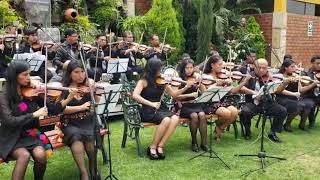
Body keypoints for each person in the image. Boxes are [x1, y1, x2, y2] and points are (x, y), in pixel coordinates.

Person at [0, 60, 76, 180]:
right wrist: (34, 114)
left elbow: (53, 110)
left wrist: (68, 99)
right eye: (25, 75)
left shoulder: (32, 91)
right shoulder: (4, 95)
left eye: (29, 74)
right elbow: (10, 120)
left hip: (32, 132)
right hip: (12, 135)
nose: (28, 78)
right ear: (14, 76)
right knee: (24, 156)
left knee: (41, 155)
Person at [132, 58, 191, 160]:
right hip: (147, 110)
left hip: (161, 108)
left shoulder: (162, 81)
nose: (161, 71)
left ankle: (160, 146)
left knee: (175, 118)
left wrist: (185, 87)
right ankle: (152, 147)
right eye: (160, 69)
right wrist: (151, 103)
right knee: (166, 120)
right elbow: (135, 95)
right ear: (153, 69)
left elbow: (174, 94)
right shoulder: (143, 81)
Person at [60, 60, 100, 179]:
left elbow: (97, 103)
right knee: (76, 138)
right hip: (70, 122)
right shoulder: (64, 88)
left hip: (88, 120)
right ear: (69, 74)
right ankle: (84, 173)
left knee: (90, 142)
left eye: (83, 72)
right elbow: (60, 109)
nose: (81, 75)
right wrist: (80, 107)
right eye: (76, 72)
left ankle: (93, 169)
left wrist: (94, 90)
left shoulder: (88, 85)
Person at [203, 55, 250, 142]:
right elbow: (206, 92)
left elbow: (233, 91)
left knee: (235, 112)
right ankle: (219, 128)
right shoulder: (206, 77)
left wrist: (244, 82)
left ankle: (220, 127)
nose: (222, 67)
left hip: (224, 102)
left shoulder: (224, 76)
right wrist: (217, 84)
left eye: (222, 65)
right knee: (227, 113)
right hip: (211, 103)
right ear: (212, 65)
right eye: (219, 65)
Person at [239, 58, 288, 142]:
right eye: (259, 67)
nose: (261, 70)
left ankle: (273, 133)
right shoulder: (250, 75)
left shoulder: (270, 77)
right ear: (254, 67)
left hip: (267, 103)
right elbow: (241, 88)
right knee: (245, 111)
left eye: (264, 68)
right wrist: (254, 92)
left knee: (282, 110)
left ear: (267, 68)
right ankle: (247, 131)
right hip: (252, 103)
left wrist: (284, 84)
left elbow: (278, 91)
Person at [175, 58, 208, 152]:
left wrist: (201, 84)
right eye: (187, 68)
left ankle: (204, 143)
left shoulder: (195, 78)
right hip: (183, 106)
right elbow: (176, 96)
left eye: (191, 67)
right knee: (194, 116)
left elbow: (204, 92)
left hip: (195, 104)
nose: (189, 70)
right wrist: (189, 94)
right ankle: (194, 142)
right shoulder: (179, 79)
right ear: (183, 69)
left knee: (202, 115)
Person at [276, 59, 314, 132]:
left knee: (308, 105)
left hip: (293, 98)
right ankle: (287, 124)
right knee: (299, 105)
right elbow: (279, 91)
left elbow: (300, 90)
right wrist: (293, 93)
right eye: (292, 67)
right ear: (286, 68)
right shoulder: (280, 76)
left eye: (295, 67)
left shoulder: (296, 76)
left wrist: (312, 84)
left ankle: (302, 124)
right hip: (282, 98)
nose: (294, 69)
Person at [301, 55, 320, 129]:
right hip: (309, 95)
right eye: (317, 63)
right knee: (311, 104)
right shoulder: (305, 73)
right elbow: (303, 85)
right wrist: (313, 84)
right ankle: (312, 122)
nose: (319, 65)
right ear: (312, 63)